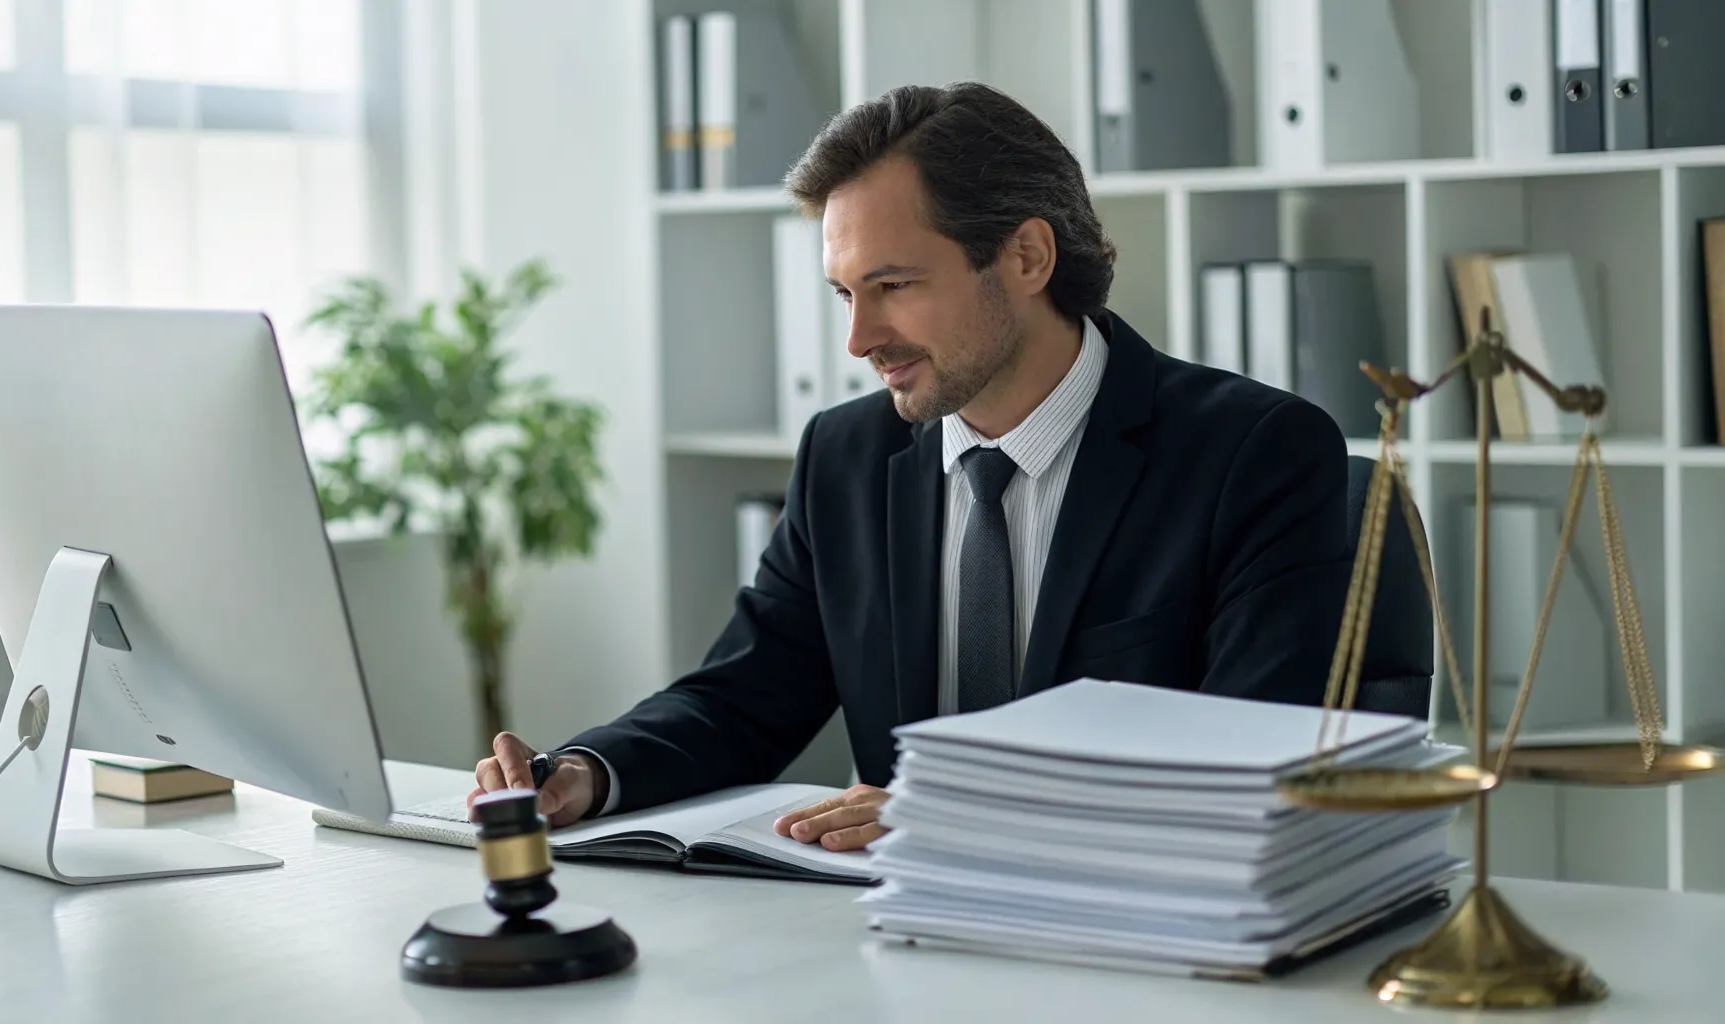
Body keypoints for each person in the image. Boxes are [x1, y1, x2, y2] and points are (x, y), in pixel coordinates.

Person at [470, 82, 1348, 852]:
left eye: (893, 286)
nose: (858, 340)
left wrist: (962, 816)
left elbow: (1249, 762)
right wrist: (585, 770)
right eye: (846, 294)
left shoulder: (1255, 454)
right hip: (898, 941)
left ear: (1028, 256)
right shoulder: (845, 457)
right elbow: (742, 698)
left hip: (1139, 942)